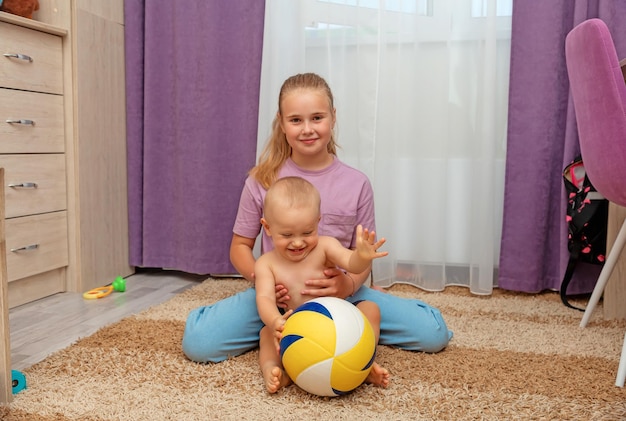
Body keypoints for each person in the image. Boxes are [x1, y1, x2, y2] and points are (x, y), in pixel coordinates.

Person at [182, 72, 452, 363]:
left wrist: (347, 286)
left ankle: (351, 322)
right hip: (278, 300)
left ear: (333, 118)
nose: (307, 129)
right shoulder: (261, 180)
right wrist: (266, 285)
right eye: (296, 120)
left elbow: (359, 256)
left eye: (317, 118)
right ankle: (276, 330)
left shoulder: (356, 184)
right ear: (282, 123)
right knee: (199, 344)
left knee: (432, 334)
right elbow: (239, 247)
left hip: (342, 296)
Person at [255, 176, 390, 393]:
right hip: (297, 329)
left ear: (318, 222)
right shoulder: (266, 264)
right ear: (268, 228)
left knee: (370, 309)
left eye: (307, 232)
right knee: (265, 334)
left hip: (340, 324)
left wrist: (362, 256)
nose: (298, 242)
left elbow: (350, 263)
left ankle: (362, 361)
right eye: (287, 235)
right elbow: (264, 298)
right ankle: (274, 370)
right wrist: (275, 321)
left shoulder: (325, 246)